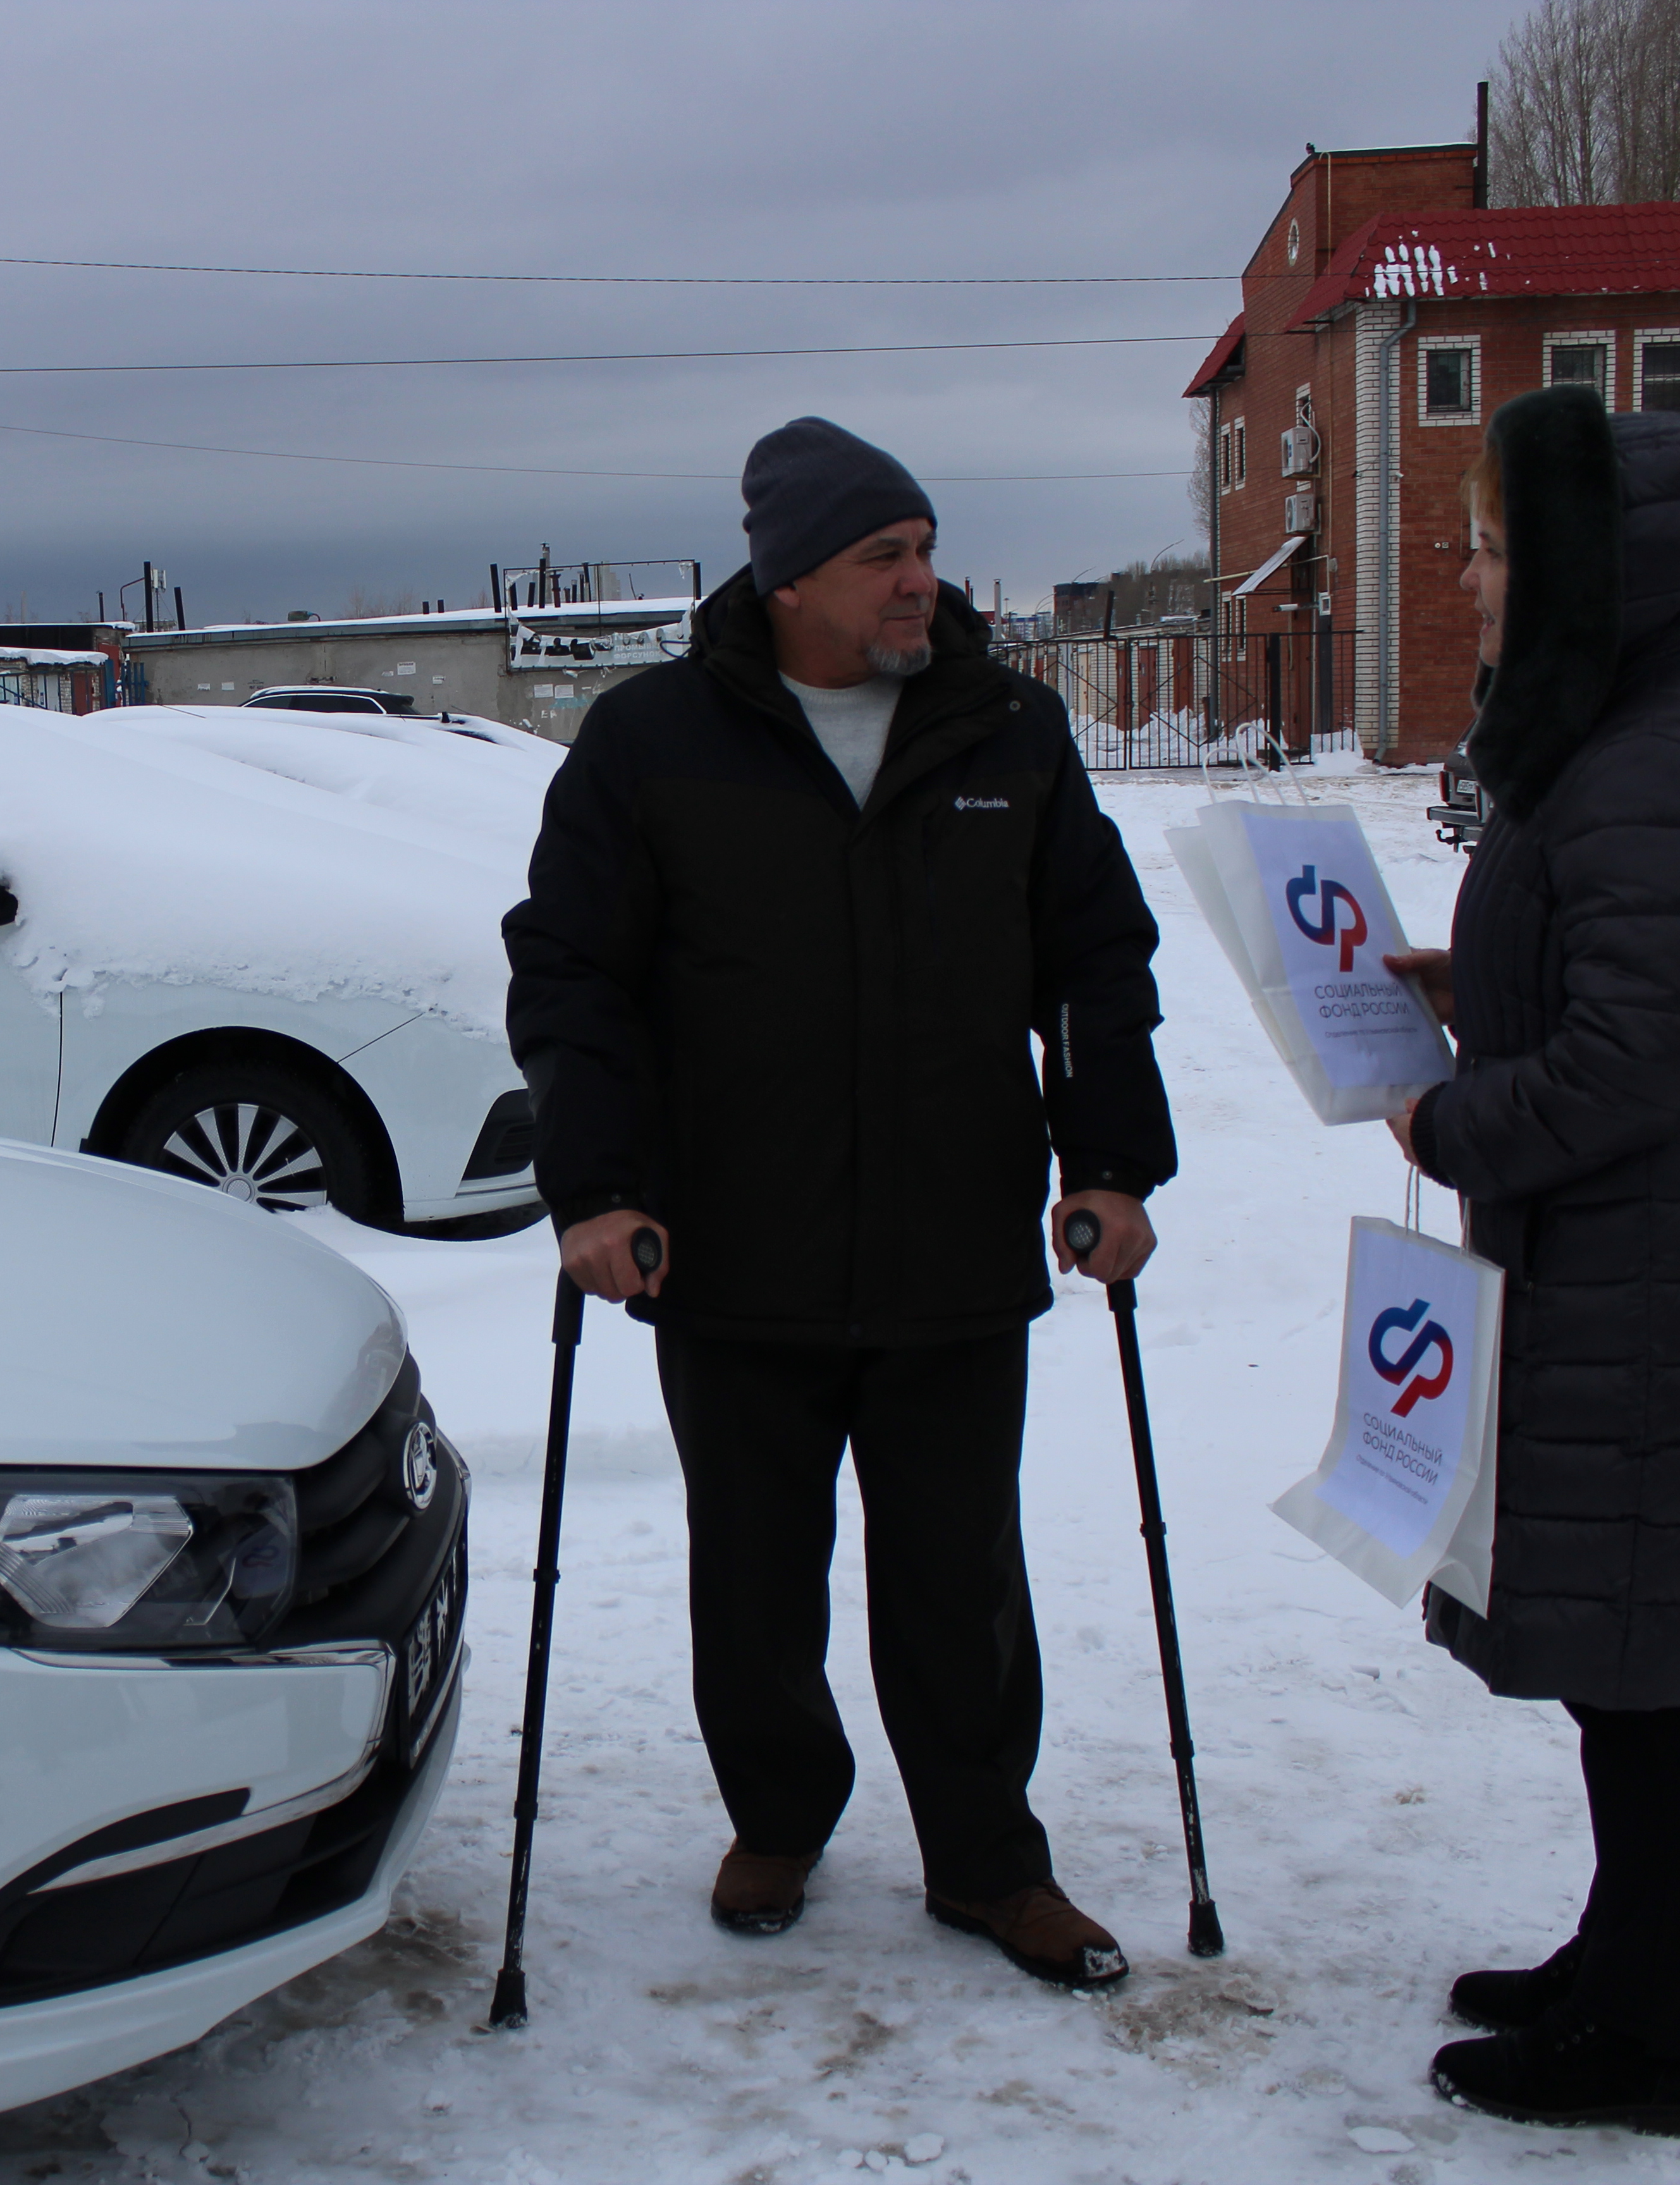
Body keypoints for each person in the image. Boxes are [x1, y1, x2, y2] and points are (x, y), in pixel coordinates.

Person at [501, 417, 1175, 1988]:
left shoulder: (1008, 732)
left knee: (960, 1579)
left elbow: (1094, 959)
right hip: (732, 1248)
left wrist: (1111, 1161)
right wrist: (597, 1189)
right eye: (887, 556)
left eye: (926, 550)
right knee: (754, 1575)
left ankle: (989, 1861)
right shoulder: (654, 741)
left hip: (951, 1242)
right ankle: (781, 1817)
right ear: (791, 575)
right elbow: (576, 975)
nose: (921, 584)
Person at [1382, 384, 1680, 2137]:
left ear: (1599, 575)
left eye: (1499, 551)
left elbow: (1645, 1060)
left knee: (1660, 1674)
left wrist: (1456, 1123)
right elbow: (1615, 972)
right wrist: (1465, 987)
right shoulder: (1646, 713)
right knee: (1636, 1661)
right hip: (1651, 1281)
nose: (1473, 574)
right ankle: (1628, 1959)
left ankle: (1653, 2048)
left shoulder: (1661, 751)